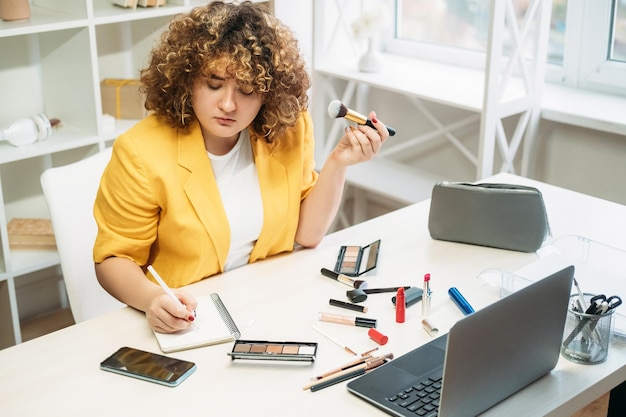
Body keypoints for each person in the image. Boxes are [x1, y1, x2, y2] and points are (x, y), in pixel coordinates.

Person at [93, 1, 390, 334]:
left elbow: (307, 235)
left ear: (268, 93)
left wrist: (339, 163)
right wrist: (151, 299)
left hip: (269, 306)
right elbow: (113, 260)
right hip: (191, 318)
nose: (228, 104)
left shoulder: (289, 128)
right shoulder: (141, 151)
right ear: (187, 80)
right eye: (214, 84)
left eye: (247, 89)